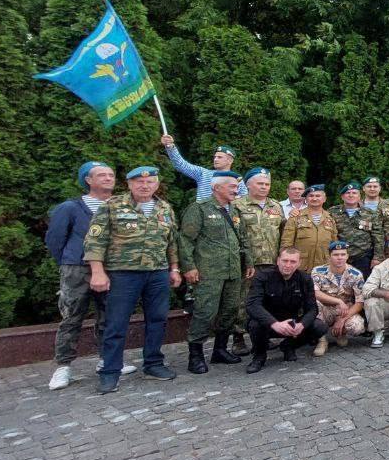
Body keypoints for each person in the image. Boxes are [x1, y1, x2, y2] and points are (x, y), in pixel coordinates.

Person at [83, 166, 181, 394]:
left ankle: (153, 363)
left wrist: (174, 268)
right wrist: (97, 271)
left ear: (156, 185)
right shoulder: (112, 206)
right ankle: (110, 372)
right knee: (116, 323)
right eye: (138, 182)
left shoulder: (164, 208)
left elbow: (172, 242)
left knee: (157, 320)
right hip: (123, 273)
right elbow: (95, 241)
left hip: (157, 272)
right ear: (128, 184)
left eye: (149, 182)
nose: (144, 186)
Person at [46, 161, 135, 390]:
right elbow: (55, 239)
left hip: (113, 268)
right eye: (102, 175)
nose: (108, 178)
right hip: (77, 268)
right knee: (72, 316)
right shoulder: (71, 207)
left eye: (111, 174)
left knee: (110, 316)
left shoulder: (122, 206)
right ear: (88, 180)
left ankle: (108, 359)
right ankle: (63, 366)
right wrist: (69, 261)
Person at [178, 172, 252, 374]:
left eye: (236, 187)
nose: (236, 191)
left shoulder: (235, 210)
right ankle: (195, 356)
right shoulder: (199, 209)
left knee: (229, 311)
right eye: (232, 187)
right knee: (205, 312)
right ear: (216, 187)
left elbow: (243, 239)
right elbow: (185, 240)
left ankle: (220, 350)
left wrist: (249, 262)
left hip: (233, 271)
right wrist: (189, 267)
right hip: (209, 272)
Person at [231, 166, 285, 356]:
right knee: (243, 301)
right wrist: (245, 261)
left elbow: (283, 233)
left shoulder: (276, 206)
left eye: (267, 184)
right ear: (248, 185)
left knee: (267, 301)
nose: (264, 187)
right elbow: (234, 235)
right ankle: (238, 338)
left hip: (271, 262)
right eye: (260, 183)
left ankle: (263, 336)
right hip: (248, 264)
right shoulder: (237, 205)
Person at [245, 247, 325, 373]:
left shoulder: (305, 279)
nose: (288, 265)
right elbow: (252, 305)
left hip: (291, 323)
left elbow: (312, 309)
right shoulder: (262, 277)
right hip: (268, 323)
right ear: (278, 261)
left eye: (293, 262)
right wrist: (274, 323)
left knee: (319, 326)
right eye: (285, 261)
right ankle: (259, 356)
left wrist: (301, 325)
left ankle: (289, 345)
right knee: (254, 324)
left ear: (299, 263)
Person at [310, 241, 366, 355]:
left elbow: (360, 302)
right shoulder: (318, 271)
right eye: (336, 255)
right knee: (313, 304)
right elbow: (315, 293)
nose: (339, 258)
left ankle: (340, 333)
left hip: (344, 310)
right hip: (324, 308)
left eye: (342, 254)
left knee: (357, 327)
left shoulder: (355, 274)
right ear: (329, 256)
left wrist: (342, 320)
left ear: (347, 256)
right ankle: (322, 340)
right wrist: (338, 301)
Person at [160, 134, 247, 202]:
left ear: (230, 161)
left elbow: (245, 200)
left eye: (220, 157)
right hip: (203, 219)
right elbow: (181, 165)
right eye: (215, 157)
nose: (215, 159)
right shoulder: (203, 173)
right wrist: (171, 147)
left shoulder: (237, 179)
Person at [279, 184, 338, 270]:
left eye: (318, 196)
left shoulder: (330, 219)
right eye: (311, 196)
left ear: (324, 199)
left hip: (324, 266)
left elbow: (334, 244)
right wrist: (287, 263)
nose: (314, 198)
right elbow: (286, 243)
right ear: (306, 199)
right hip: (300, 266)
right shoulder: (295, 217)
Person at [330, 182, 380, 274]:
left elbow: (378, 236)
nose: (351, 195)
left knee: (363, 286)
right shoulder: (332, 212)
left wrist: (377, 258)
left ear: (359, 196)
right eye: (348, 193)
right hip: (339, 257)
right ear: (342, 197)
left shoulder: (370, 214)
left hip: (363, 258)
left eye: (354, 193)